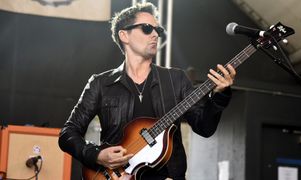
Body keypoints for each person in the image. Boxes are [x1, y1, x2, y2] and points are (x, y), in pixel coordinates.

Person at [58, 2, 236, 180]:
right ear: (124, 35)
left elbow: (205, 128)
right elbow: (68, 133)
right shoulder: (101, 83)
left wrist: (220, 95)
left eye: (157, 30)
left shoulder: (176, 79)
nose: (155, 35)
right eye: (146, 28)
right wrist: (97, 155)